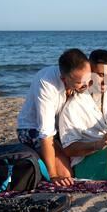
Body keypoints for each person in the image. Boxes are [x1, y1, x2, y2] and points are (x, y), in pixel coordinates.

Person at [16, 48, 91, 186]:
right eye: (80, 82)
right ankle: (35, 157)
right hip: (32, 130)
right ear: (64, 78)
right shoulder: (46, 84)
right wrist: (53, 175)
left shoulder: (82, 78)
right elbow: (46, 134)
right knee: (66, 175)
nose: (87, 84)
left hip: (61, 129)